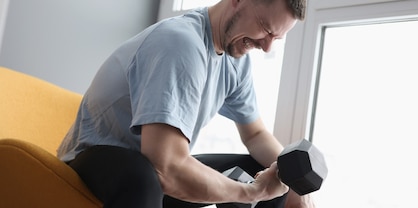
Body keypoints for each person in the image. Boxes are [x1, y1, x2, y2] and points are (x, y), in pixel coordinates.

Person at [56, 0, 313, 207]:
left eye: (276, 38)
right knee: (143, 177)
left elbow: (256, 134)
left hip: (153, 167)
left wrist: (292, 179)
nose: (267, 47)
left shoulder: (236, 61)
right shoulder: (180, 44)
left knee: (266, 171)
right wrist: (252, 192)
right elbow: (166, 167)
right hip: (95, 161)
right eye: (266, 29)